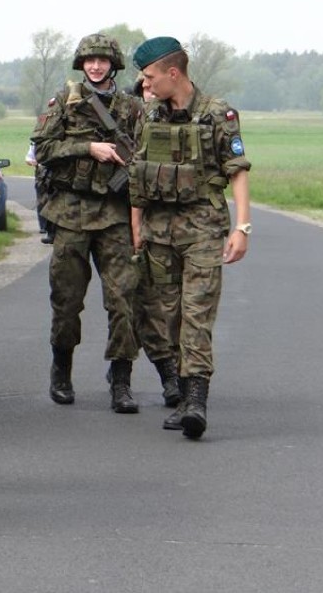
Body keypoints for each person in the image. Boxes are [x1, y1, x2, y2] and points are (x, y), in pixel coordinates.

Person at [130, 37, 251, 439]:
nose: (145, 85)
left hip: (202, 229)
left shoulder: (218, 114)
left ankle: (197, 400)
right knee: (167, 318)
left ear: (173, 73)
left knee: (196, 315)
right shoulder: (148, 116)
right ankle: (183, 395)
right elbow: (137, 174)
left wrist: (242, 226)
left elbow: (237, 169)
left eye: (149, 77)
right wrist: (136, 227)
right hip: (158, 233)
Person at [31, 33, 142, 413]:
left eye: (103, 60)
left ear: (114, 64)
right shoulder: (65, 101)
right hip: (71, 214)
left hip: (114, 216)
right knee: (66, 301)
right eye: (90, 60)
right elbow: (41, 149)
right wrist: (87, 148)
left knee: (124, 301)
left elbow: (143, 154)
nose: (96, 66)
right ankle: (61, 372)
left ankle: (121, 380)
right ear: (82, 64)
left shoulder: (131, 107)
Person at [128, 71, 181, 408]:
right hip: (127, 221)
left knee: (167, 305)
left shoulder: (174, 119)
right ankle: (158, 374)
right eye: (142, 88)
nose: (147, 92)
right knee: (137, 304)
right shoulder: (130, 118)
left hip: (167, 225)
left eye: (151, 86)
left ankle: (174, 376)